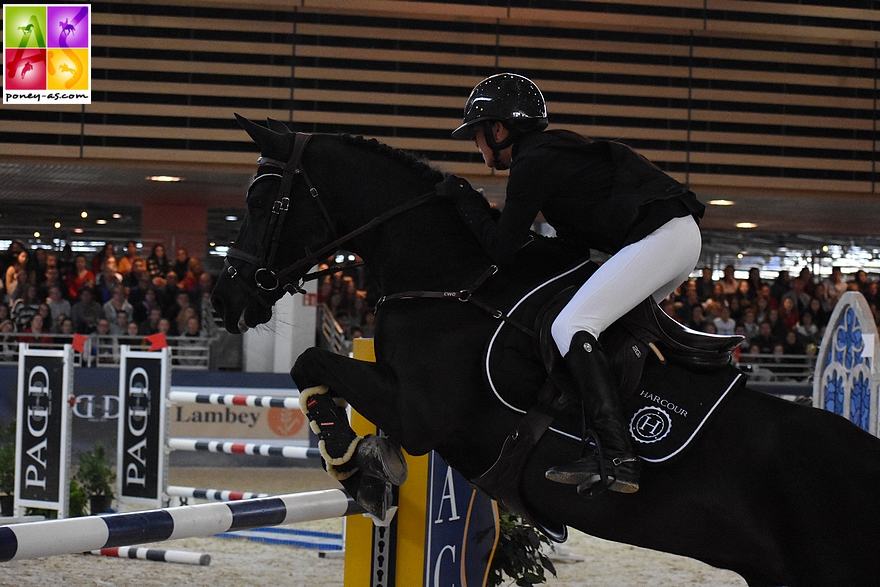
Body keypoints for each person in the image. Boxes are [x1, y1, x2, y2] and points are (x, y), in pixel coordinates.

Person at [440, 73, 705, 496]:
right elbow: (564, 250)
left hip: (664, 238)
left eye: (477, 134)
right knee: (600, 332)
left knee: (571, 327)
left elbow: (501, 249)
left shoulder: (533, 162)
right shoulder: (548, 156)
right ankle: (619, 435)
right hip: (672, 237)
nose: (478, 146)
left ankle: (617, 453)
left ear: (499, 128)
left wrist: (465, 201)